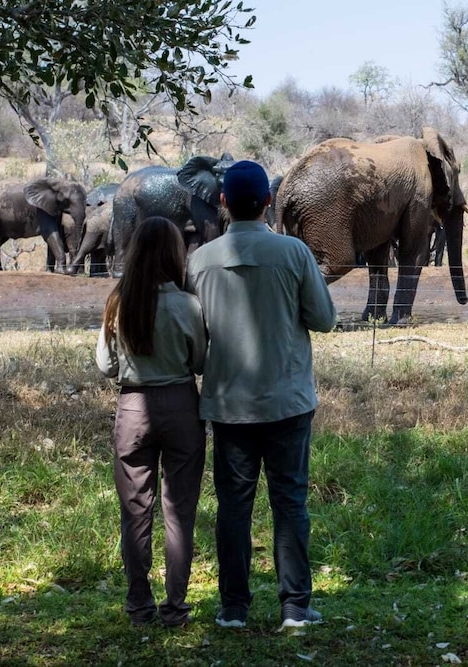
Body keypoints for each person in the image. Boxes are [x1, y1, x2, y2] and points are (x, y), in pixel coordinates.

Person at [186, 160, 337, 631]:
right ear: (268, 202)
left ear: (223, 202)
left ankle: (233, 607)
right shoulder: (294, 253)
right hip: (287, 400)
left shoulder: (200, 260)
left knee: (233, 506)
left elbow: (195, 338)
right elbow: (324, 319)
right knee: (290, 503)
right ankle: (295, 606)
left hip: (229, 404)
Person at [96, 216, 207, 628]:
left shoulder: (118, 301)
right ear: (175, 254)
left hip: (133, 407)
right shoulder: (188, 305)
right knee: (179, 511)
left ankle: (139, 605)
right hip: (181, 405)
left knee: (135, 511)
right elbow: (200, 362)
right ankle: (175, 606)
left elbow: (105, 365)